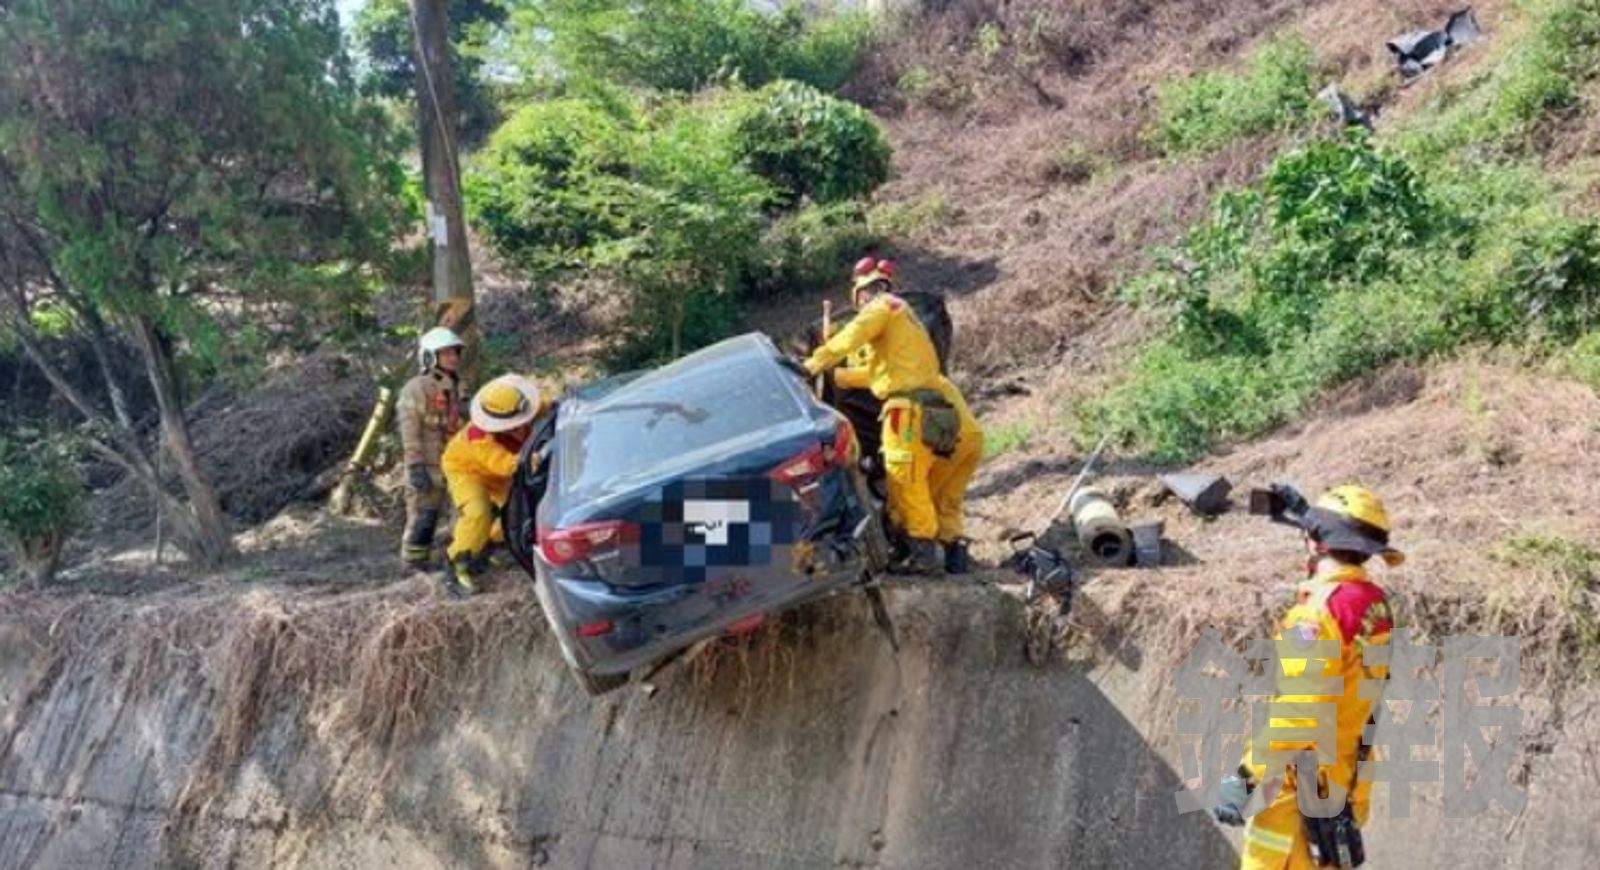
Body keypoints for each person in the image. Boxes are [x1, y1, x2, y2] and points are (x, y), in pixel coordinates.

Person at [1213, 485, 1402, 870]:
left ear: (1315, 544)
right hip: (1344, 783)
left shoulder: (1315, 616)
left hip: (1296, 799)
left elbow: (1300, 713)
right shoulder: (1373, 603)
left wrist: (1248, 777)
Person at [804, 258, 948, 575]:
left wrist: (812, 364)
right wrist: (838, 377)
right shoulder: (904, 313)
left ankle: (923, 553)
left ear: (863, 294)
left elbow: (851, 336)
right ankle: (916, 548)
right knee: (909, 479)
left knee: (904, 479)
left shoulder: (881, 307)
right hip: (926, 407)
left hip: (906, 410)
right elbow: (877, 371)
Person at [439, 374, 547, 596]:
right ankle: (456, 564)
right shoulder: (479, 438)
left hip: (500, 472)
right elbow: (505, 465)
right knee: (478, 514)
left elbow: (551, 408)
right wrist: (533, 459)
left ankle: (492, 545)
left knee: (521, 510)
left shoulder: (528, 407)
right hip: (467, 471)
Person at [395, 326, 465, 568]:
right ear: (430, 357)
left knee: (464, 514)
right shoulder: (415, 388)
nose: (453, 358)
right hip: (427, 465)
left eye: (455, 353)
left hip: (454, 462)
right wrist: (415, 466)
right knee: (424, 519)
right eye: (446, 354)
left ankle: (462, 558)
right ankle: (413, 566)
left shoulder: (455, 387)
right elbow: (409, 431)